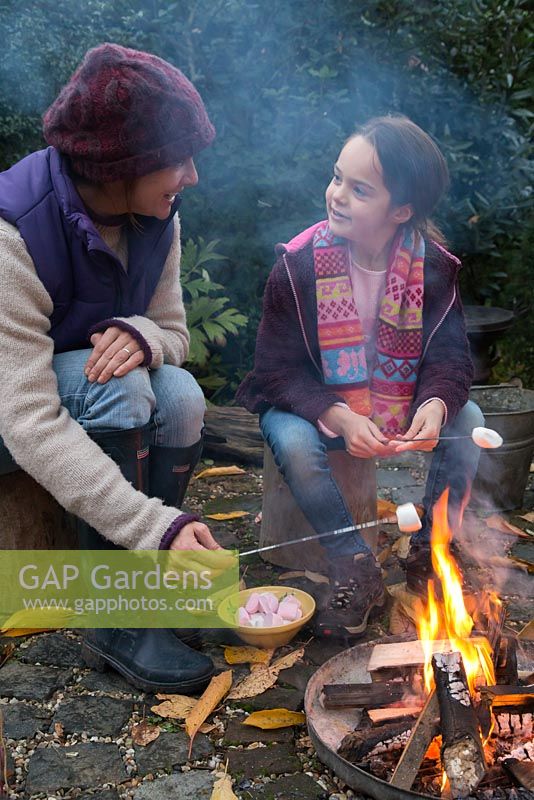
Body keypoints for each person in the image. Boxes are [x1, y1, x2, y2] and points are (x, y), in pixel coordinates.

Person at [0, 43, 223, 691]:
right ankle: (116, 610)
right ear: (123, 163)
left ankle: (149, 584)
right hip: (13, 412)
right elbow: (27, 418)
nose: (191, 177)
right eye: (178, 160)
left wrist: (146, 334)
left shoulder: (157, 216)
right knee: (122, 388)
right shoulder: (15, 234)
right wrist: (158, 525)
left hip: (73, 397)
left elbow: (177, 336)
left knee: (179, 394)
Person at [237, 115, 484, 639]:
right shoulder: (298, 266)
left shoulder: (435, 269)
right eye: (336, 178)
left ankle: (429, 553)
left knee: (473, 417)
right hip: (319, 407)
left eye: (359, 189)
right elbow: (274, 372)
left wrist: (436, 404)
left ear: (401, 210)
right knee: (293, 441)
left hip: (396, 407)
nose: (338, 195)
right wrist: (340, 414)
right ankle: (355, 563)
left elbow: (451, 361)